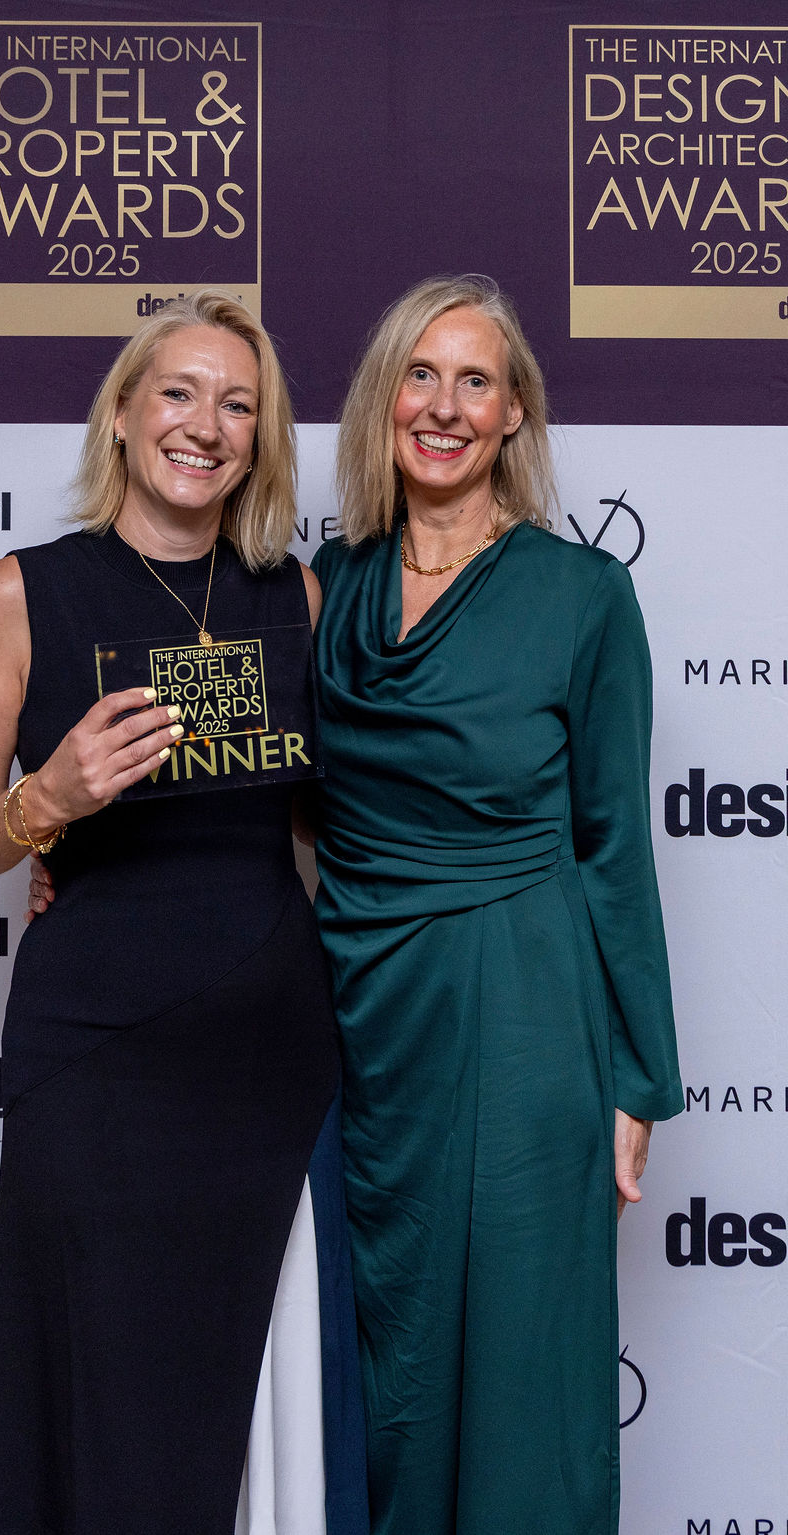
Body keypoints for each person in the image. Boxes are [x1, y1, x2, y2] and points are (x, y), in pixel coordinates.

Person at [0, 289, 366, 1535]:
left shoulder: (297, 596)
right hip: (97, 1058)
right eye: (178, 391)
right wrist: (44, 803)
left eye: (239, 405)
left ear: (260, 438)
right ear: (121, 414)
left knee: (233, 1409)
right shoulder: (20, 592)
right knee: (91, 1386)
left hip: (268, 1059)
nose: (204, 425)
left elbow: (317, 818)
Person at [309, 274, 683, 1535]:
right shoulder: (327, 584)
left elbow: (613, 845)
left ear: (514, 412)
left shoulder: (583, 596)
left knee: (525, 1358)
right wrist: (61, 841)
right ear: (383, 400)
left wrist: (637, 1076)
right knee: (385, 1365)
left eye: (476, 380)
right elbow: (271, 787)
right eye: (420, 375)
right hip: (358, 1021)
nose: (444, 405)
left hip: (525, 1008)